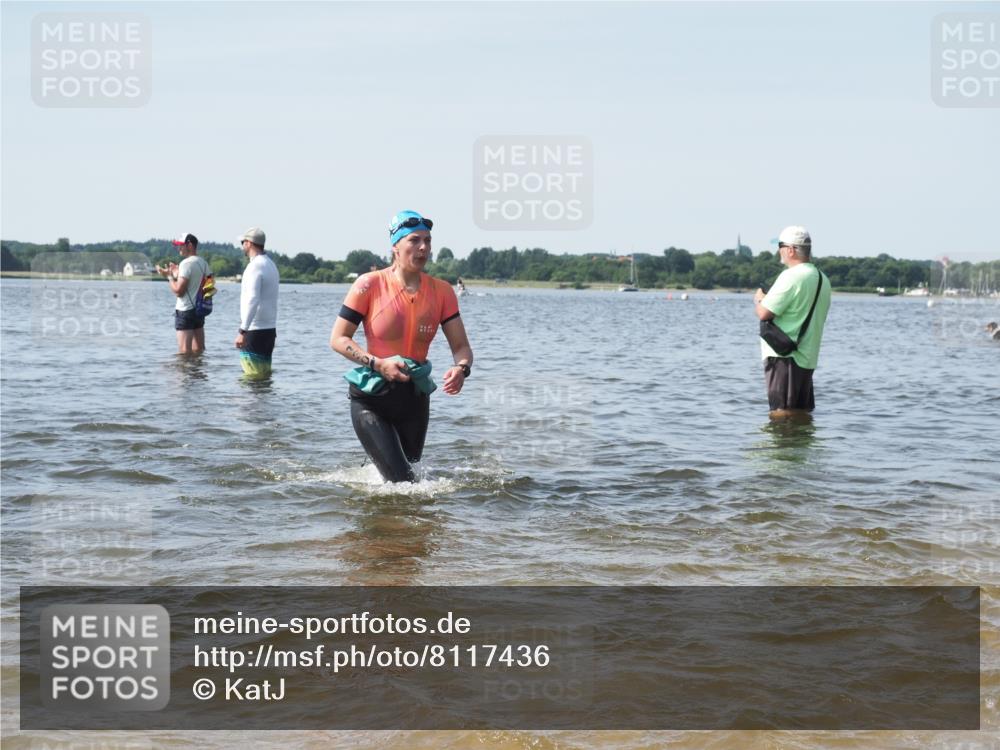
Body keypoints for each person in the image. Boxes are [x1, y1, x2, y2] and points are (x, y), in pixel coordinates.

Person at [330, 210, 473, 482]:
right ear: (396, 246)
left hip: (415, 399)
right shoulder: (368, 284)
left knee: (409, 480)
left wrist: (461, 369)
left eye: (428, 241)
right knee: (403, 483)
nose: (424, 248)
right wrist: (378, 363)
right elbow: (338, 338)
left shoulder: (442, 292)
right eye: (415, 240)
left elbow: (462, 347)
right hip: (372, 397)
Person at [753, 225, 832, 416]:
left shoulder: (791, 276)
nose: (779, 251)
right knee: (801, 415)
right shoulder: (822, 279)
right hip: (807, 357)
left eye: (780, 246)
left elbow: (764, 313)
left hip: (785, 357)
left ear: (790, 249)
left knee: (780, 414)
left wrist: (759, 298)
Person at [234, 227, 280, 378]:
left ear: (249, 243)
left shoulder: (254, 266)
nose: (242, 245)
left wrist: (242, 330)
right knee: (264, 377)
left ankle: (250, 402)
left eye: (243, 242)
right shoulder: (271, 265)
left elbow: (253, 299)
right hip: (269, 329)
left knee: (251, 378)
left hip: (255, 329)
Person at [156, 232, 209, 354]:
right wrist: (177, 274)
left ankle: (186, 373)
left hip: (185, 311)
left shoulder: (186, 263)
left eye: (181, 245)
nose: (178, 248)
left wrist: (169, 277)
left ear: (189, 245)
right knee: (199, 351)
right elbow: (206, 286)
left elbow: (179, 291)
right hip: (199, 311)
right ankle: (198, 373)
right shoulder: (203, 263)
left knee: (184, 354)